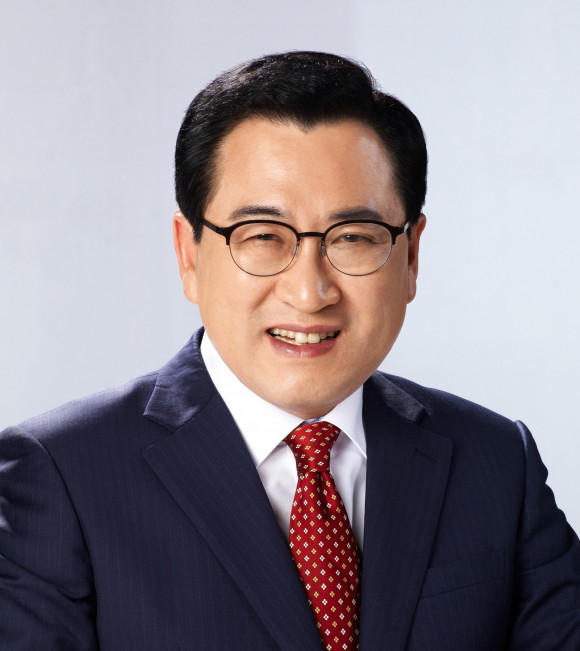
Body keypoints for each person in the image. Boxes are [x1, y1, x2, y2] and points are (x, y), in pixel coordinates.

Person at [0, 51, 578, 651]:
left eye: (353, 238)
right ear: (189, 254)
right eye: (262, 236)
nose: (309, 292)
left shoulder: (495, 462)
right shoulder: (61, 476)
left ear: (410, 257)